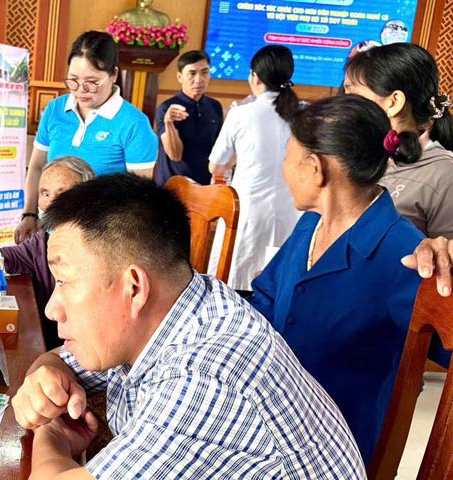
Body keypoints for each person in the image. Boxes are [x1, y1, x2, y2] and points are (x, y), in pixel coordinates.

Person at [14, 173, 387, 480]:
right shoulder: (172, 308)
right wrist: (43, 374)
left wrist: (51, 436)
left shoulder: (212, 376)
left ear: (133, 288)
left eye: (64, 282)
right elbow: (62, 361)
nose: (51, 305)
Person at [250, 94, 425, 465]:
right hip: (272, 434)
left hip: (336, 457)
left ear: (315, 168)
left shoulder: (404, 253)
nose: (284, 169)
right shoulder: (312, 222)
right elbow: (265, 300)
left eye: (287, 158)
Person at [343, 43, 453, 274]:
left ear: (393, 103)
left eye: (352, 95)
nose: (341, 106)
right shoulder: (361, 157)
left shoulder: (449, 179)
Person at [15, 31, 158, 243]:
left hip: (100, 239)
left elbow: (137, 198)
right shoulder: (55, 110)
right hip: (50, 232)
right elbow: (37, 167)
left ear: (113, 75)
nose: (81, 90)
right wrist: (29, 214)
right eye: (73, 80)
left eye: (92, 82)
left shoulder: (134, 124)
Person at [0, 156, 94, 348]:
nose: (52, 202)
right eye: (45, 193)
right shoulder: (42, 240)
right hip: (54, 349)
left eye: (62, 193)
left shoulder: (103, 245)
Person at [209, 44, 302, 293]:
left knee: (236, 284)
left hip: (247, 213)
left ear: (254, 77)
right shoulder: (302, 114)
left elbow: (216, 165)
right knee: (278, 288)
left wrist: (240, 159)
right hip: (292, 213)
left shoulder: (242, 114)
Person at [154, 50, 223, 186]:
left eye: (204, 72)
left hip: (204, 186)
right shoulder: (167, 108)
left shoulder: (215, 107)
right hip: (172, 186)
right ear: (179, 77)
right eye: (192, 73)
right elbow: (175, 155)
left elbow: (218, 149)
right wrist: (169, 123)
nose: (199, 79)